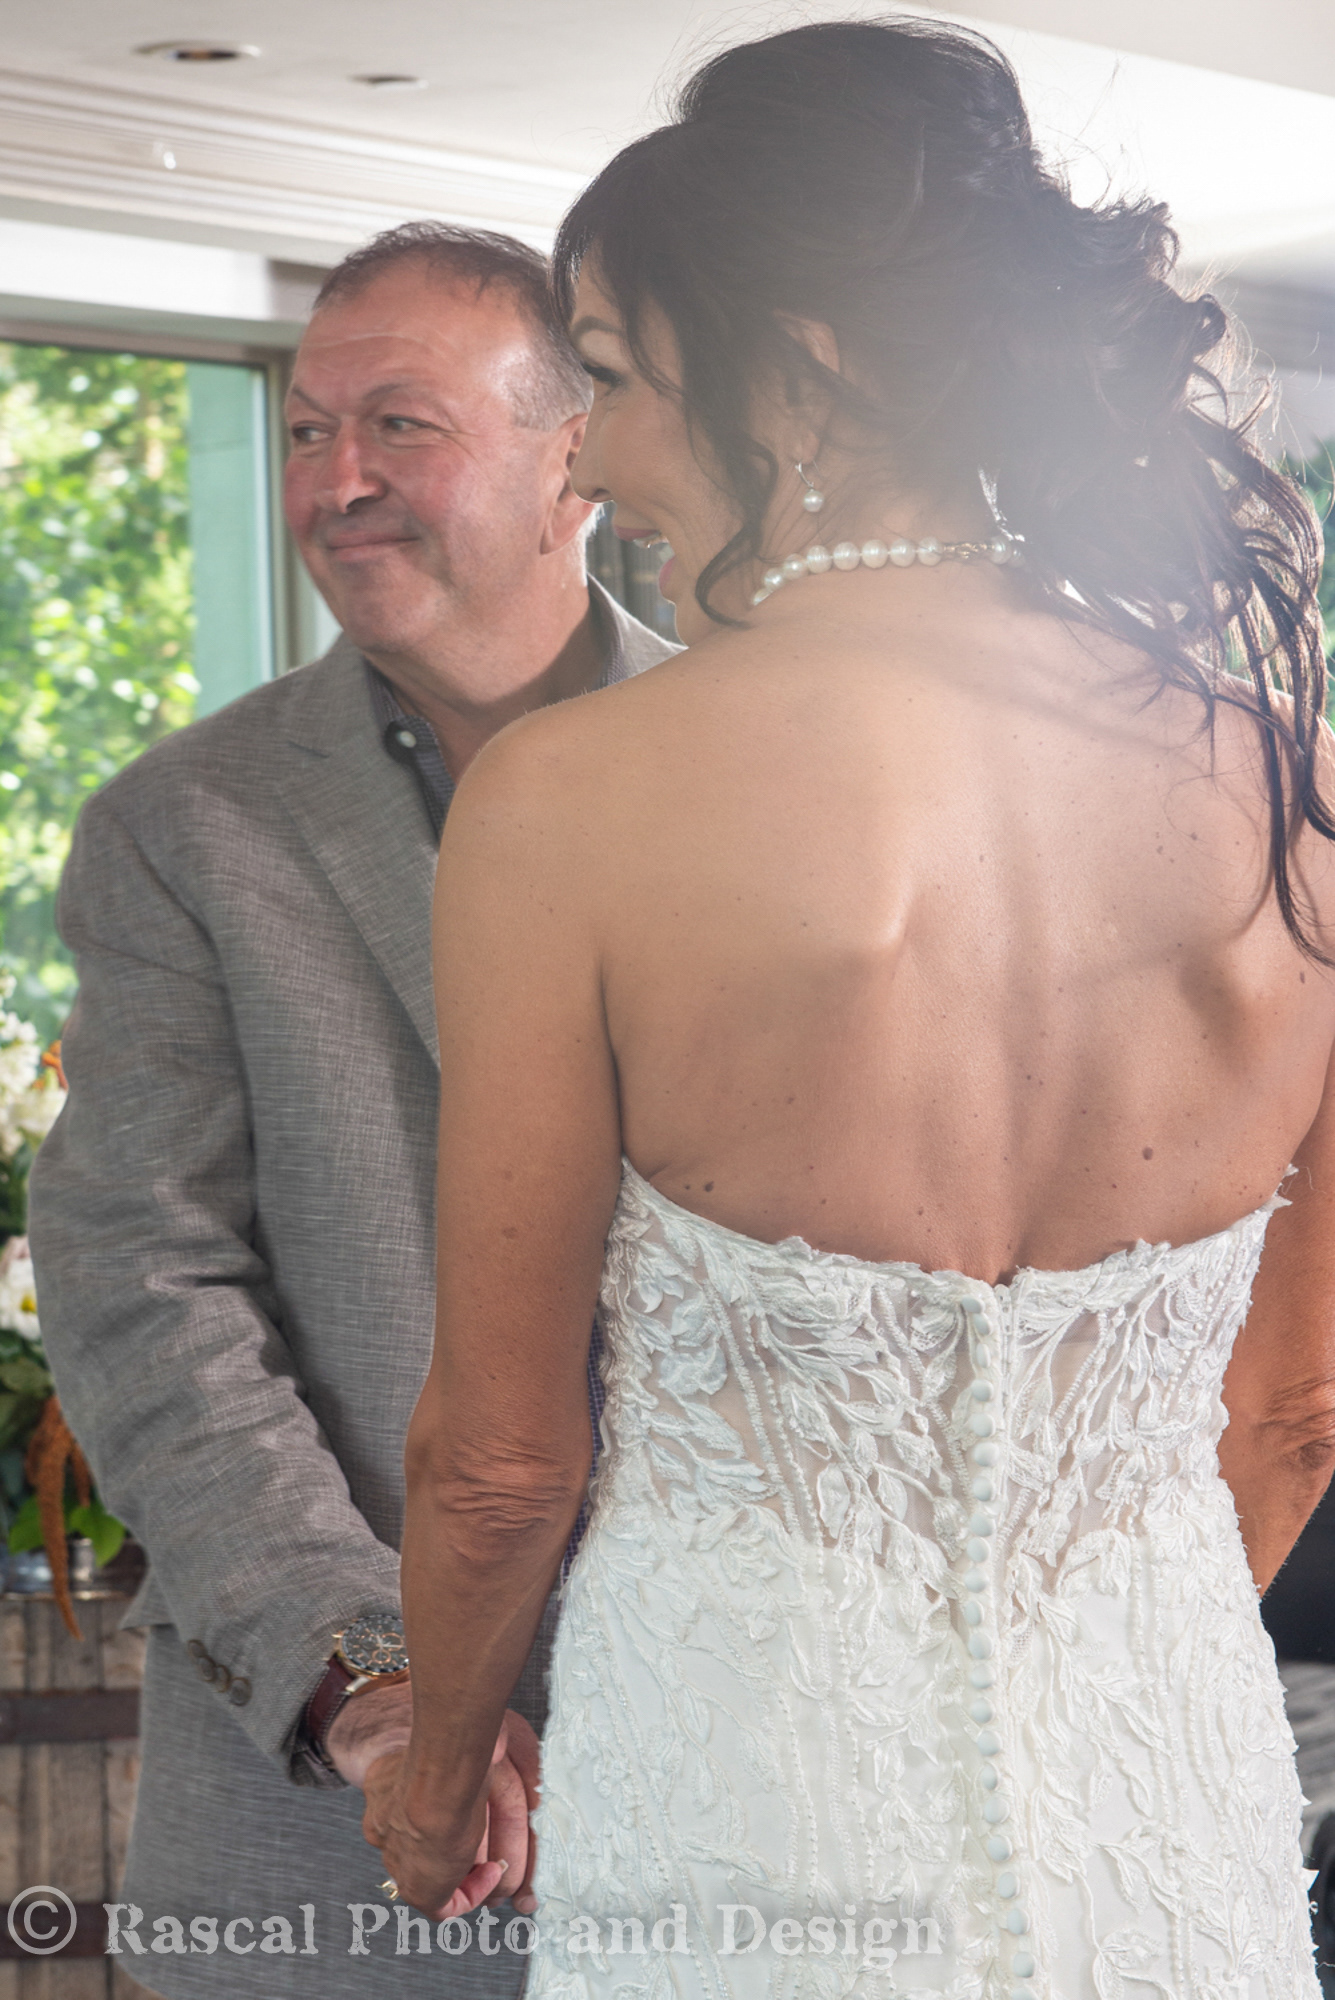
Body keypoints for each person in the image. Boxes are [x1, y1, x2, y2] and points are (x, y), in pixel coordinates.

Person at [366, 22, 1335, 1997]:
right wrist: (1098, 1670)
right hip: (1168, 1804)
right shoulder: (1285, 785)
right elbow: (1294, 1410)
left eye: (613, 380)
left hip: (742, 1796)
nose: (594, 460)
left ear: (794, 369)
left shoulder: (568, 801)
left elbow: (496, 1463)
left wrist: (437, 1766)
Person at [27, 221, 676, 2000]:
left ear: (576, 458)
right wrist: (378, 1687)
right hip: (318, 1830)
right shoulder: (181, 827)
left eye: (403, 426)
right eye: (308, 431)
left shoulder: (761, 771)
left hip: (733, 1771)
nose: (337, 483)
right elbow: (141, 1289)